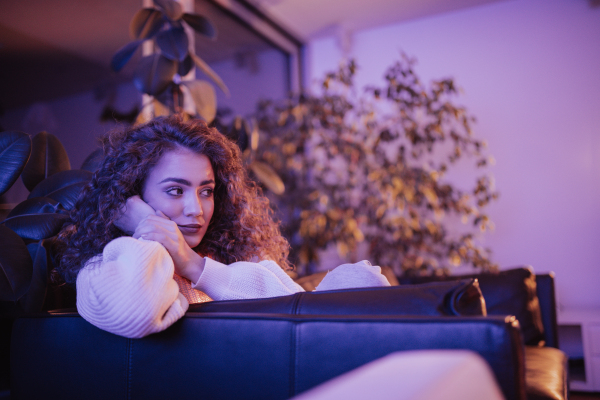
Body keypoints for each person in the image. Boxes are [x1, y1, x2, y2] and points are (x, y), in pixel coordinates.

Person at [56, 115, 389, 338]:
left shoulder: (232, 255)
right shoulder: (106, 267)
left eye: (206, 191)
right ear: (134, 193)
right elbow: (136, 313)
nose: (196, 209)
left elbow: (297, 312)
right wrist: (147, 227)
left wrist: (193, 264)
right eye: (175, 190)